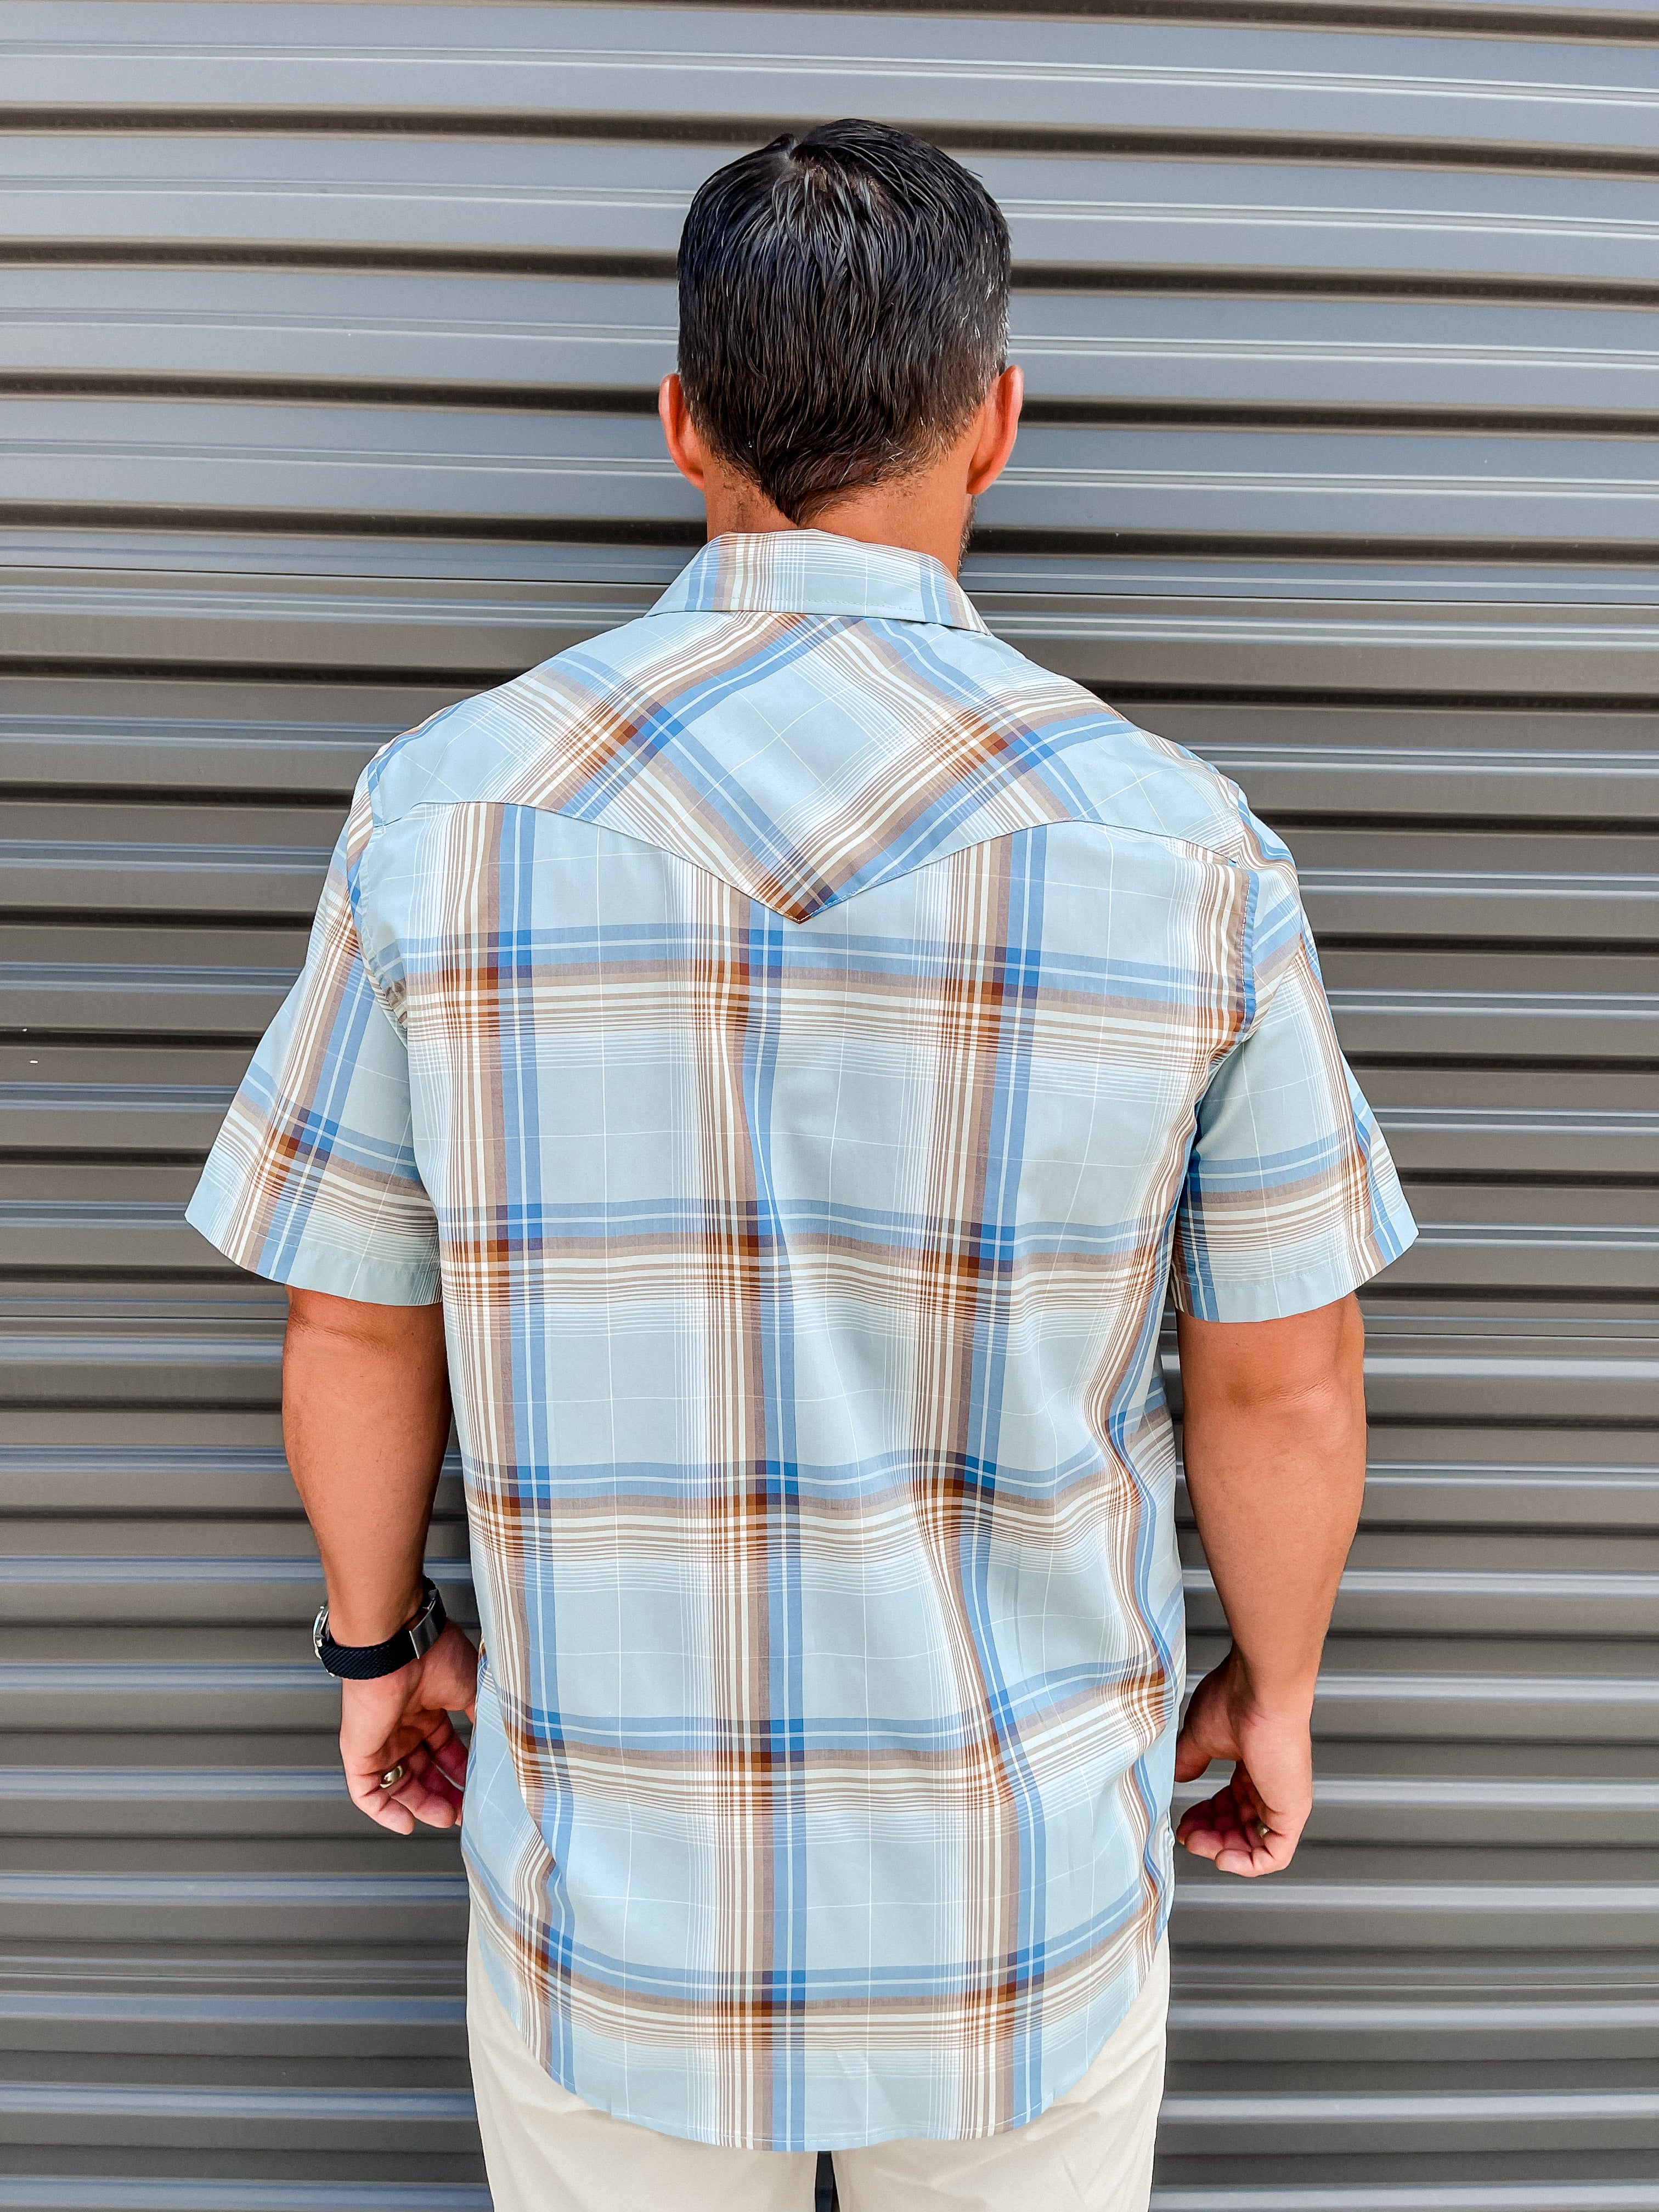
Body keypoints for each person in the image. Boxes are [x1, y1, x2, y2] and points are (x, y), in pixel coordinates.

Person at [186, 119, 1415, 2212]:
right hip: (1021, 1919)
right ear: (998, 423)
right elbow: (1281, 1375)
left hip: (614, 1917)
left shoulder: (444, 815)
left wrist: (378, 1651)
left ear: (679, 421)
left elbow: (351, 1308)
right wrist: (1277, 1693)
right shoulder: (1188, 852)